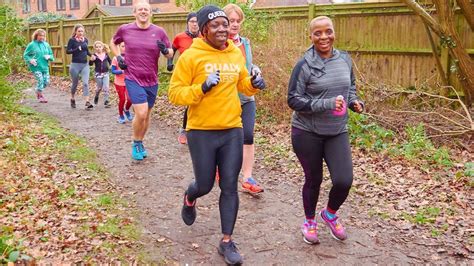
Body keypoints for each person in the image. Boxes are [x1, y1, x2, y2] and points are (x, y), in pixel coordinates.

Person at [168, 5, 266, 265]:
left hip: (232, 128)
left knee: (229, 186)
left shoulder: (235, 53)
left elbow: (243, 83)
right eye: (216, 25)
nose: (223, 28)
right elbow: (175, 94)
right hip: (201, 131)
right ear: (203, 30)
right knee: (205, 184)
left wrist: (254, 85)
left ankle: (226, 241)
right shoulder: (191, 56)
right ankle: (190, 197)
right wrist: (201, 87)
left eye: (226, 23)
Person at [287, 16, 364, 245]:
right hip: (306, 132)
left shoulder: (345, 60)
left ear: (334, 33)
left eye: (328, 31)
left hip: (336, 131)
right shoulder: (304, 64)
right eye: (317, 33)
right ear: (310, 36)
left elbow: (350, 89)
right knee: (314, 179)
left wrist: (355, 103)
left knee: (344, 180)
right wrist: (327, 104)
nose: (324, 37)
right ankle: (309, 221)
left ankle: (329, 214)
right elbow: (293, 99)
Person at [110, 1, 173, 161]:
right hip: (132, 77)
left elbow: (170, 53)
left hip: (152, 79)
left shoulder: (159, 32)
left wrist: (165, 51)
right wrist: (118, 56)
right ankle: (136, 142)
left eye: (146, 9)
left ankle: (141, 141)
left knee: (147, 115)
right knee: (141, 112)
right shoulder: (125, 29)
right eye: (140, 9)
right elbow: (113, 42)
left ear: (150, 13)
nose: (143, 12)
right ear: (134, 13)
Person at [223, 3, 264, 195]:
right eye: (231, 20)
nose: (235, 24)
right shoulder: (219, 45)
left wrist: (255, 70)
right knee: (226, 136)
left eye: (238, 21)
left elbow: (247, 64)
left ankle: (247, 177)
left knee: (248, 135)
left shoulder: (245, 43)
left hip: (246, 97)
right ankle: (219, 166)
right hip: (225, 98)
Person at [167, 12, 200, 145]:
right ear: (187, 22)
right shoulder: (179, 37)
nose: (195, 24)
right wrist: (170, 63)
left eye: (197, 21)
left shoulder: (204, 36)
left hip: (200, 73)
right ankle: (185, 130)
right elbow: (172, 51)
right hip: (186, 74)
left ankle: (198, 129)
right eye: (192, 21)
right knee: (190, 102)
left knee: (198, 102)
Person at [23, 28, 54, 103]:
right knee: (40, 80)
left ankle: (37, 90)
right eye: (40, 35)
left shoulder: (46, 45)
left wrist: (49, 57)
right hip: (36, 66)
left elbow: (51, 55)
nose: (42, 37)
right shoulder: (31, 45)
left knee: (46, 82)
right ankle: (40, 96)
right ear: (36, 36)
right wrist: (30, 60)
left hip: (45, 66)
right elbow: (25, 55)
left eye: (43, 36)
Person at [66, 24, 93, 109]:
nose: (81, 33)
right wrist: (77, 49)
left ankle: (87, 102)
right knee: (75, 83)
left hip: (85, 65)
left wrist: (92, 55)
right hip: (75, 65)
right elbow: (68, 51)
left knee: (85, 83)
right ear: (75, 32)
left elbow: (86, 50)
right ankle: (72, 98)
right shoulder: (72, 40)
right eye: (79, 31)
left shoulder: (85, 40)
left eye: (82, 31)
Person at [111, 42, 133, 124]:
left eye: (126, 46)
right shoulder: (116, 58)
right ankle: (121, 115)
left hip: (129, 81)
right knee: (122, 99)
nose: (125, 48)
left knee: (130, 99)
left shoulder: (130, 57)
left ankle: (126, 110)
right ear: (119, 47)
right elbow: (113, 71)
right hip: (119, 82)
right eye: (123, 46)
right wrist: (121, 71)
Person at [89, 41, 112, 108]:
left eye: (100, 47)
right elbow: (90, 64)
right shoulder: (94, 55)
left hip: (106, 73)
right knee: (99, 88)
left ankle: (106, 101)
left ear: (102, 47)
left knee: (106, 87)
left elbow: (110, 61)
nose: (98, 48)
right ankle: (96, 96)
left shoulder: (106, 54)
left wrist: (111, 65)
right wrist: (91, 60)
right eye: (97, 47)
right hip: (98, 74)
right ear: (95, 48)